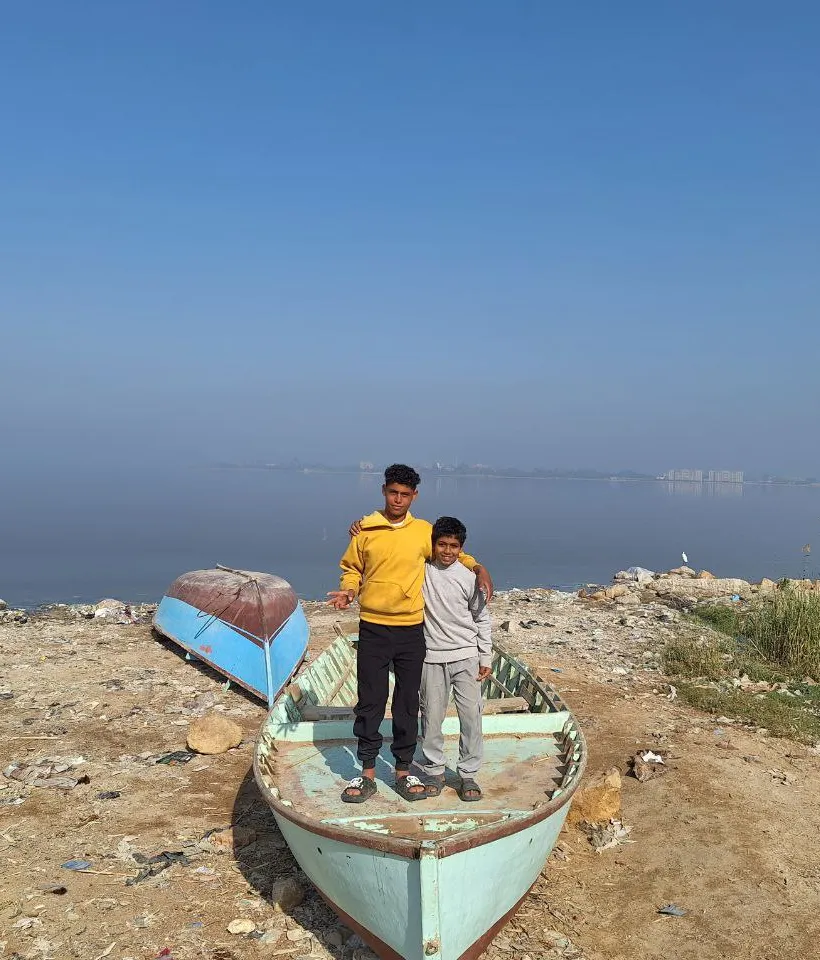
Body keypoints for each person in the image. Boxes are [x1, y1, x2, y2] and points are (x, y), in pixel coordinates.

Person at [327, 464, 493, 803]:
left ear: (414, 496)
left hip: (411, 631)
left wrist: (479, 568)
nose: (398, 499)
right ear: (384, 491)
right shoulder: (365, 529)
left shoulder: (423, 532)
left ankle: (403, 771)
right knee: (371, 702)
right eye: (393, 492)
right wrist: (349, 590)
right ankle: (367, 772)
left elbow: (453, 554)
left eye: (405, 494)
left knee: (407, 704)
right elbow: (352, 569)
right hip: (373, 626)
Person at [419, 516, 491, 802]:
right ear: (433, 544)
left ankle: (468, 774)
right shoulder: (422, 570)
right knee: (431, 717)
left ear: (461, 548)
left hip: (466, 656)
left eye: (453, 546)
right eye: (442, 544)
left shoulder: (469, 577)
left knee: (471, 716)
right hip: (431, 657)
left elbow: (481, 618)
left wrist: (485, 656)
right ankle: (435, 771)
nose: (447, 551)